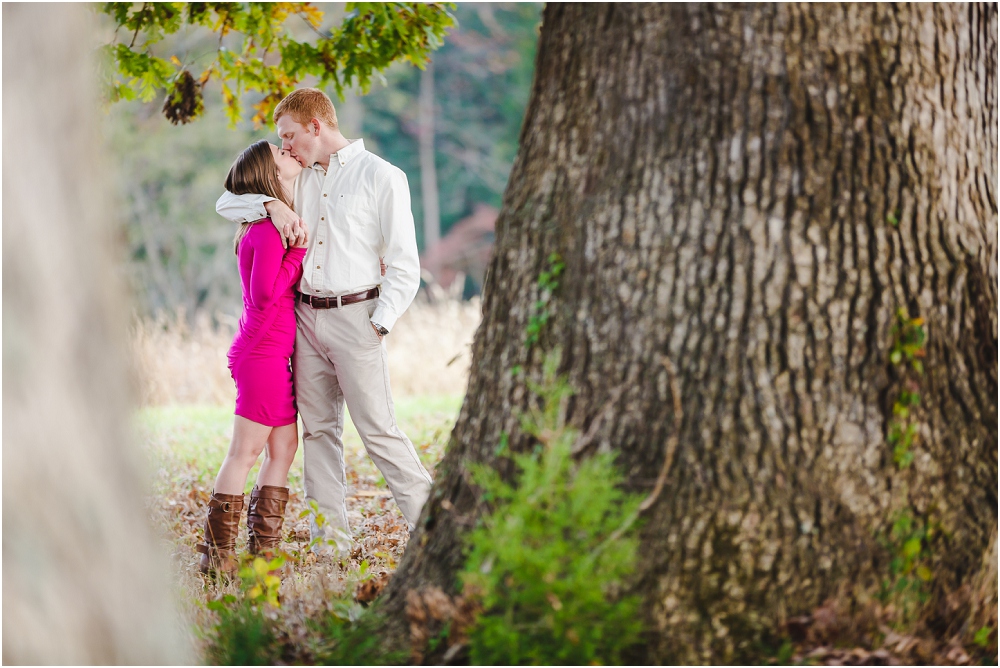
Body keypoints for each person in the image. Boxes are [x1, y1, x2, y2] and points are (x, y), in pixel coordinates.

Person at [216, 88, 433, 555]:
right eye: (282, 140)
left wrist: (379, 322)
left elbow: (404, 264)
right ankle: (330, 544)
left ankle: (432, 530)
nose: (286, 146)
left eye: (290, 135)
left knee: (378, 429)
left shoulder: (382, 176)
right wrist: (270, 205)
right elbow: (227, 201)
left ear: (317, 126)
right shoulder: (299, 178)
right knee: (318, 432)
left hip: (358, 317)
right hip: (304, 320)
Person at [198, 140, 309, 577]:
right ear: (267, 173)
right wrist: (298, 253)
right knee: (245, 452)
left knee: (283, 446)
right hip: (262, 354)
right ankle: (217, 558)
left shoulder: (267, 220)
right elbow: (264, 295)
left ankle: (263, 555)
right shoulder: (264, 229)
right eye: (281, 154)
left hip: (272, 354)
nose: (290, 152)